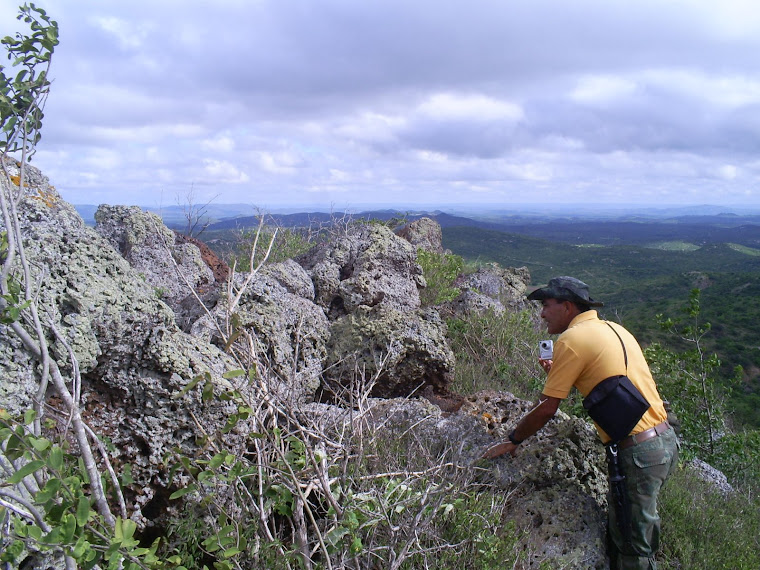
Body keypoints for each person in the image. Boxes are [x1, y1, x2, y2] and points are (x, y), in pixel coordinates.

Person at [482, 276, 679, 570]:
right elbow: (607, 382)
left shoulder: (572, 341)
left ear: (567, 306)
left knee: (634, 548)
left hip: (638, 452)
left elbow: (546, 408)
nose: (542, 313)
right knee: (629, 532)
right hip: (664, 441)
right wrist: (559, 370)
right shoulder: (615, 329)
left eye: (547, 305)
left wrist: (514, 439)